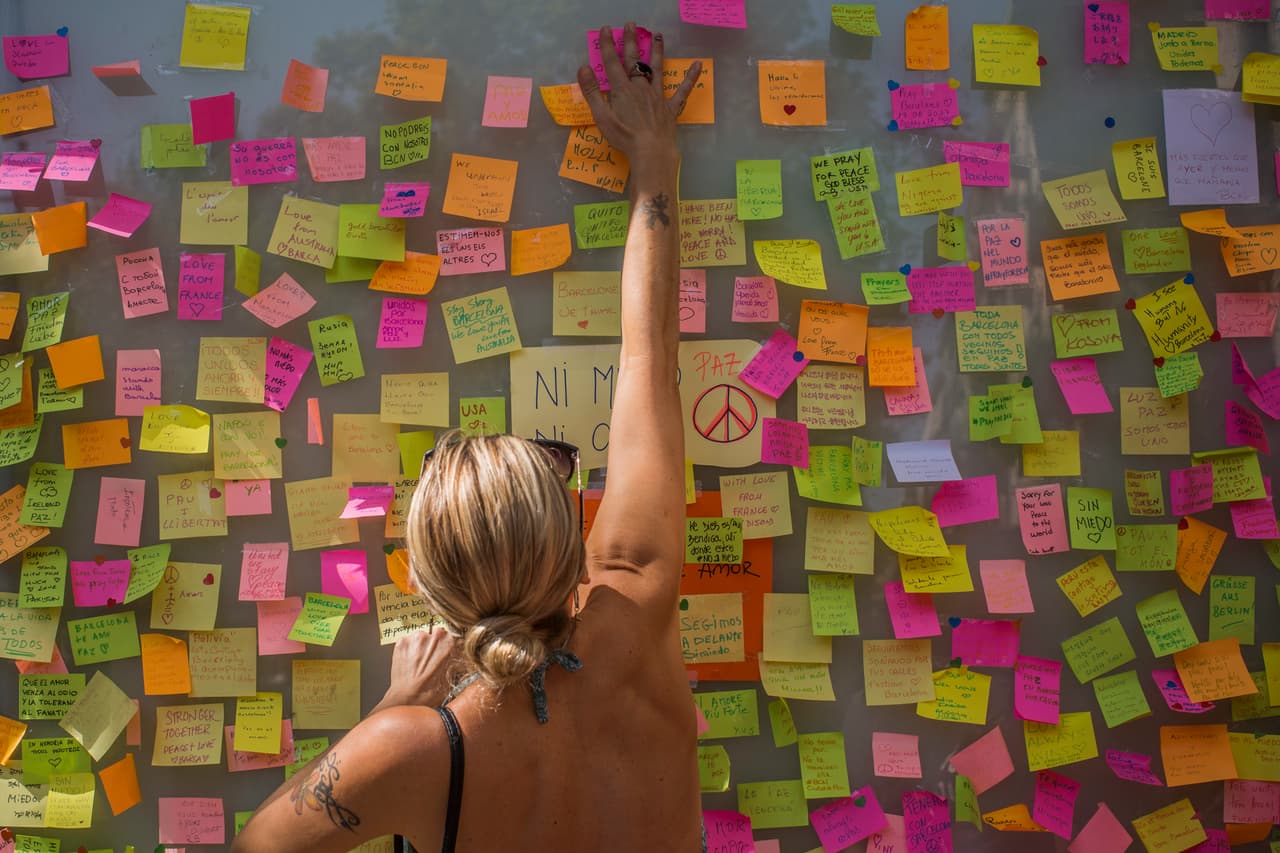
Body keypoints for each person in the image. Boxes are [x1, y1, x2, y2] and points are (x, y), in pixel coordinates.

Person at [233, 23, 705, 853]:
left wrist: (394, 706)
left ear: (425, 584)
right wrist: (654, 164)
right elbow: (648, 360)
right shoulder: (636, 597)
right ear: (570, 542)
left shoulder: (411, 747)